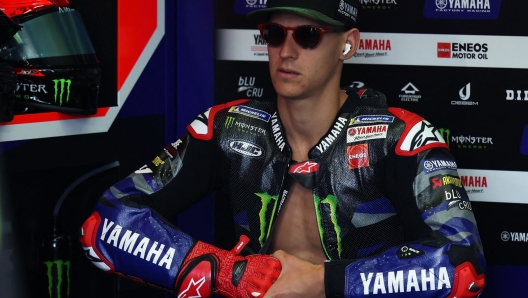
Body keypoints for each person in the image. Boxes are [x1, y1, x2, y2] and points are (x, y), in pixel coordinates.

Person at [79, 0, 486, 297]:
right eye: (275, 34)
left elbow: (461, 266)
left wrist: (319, 282)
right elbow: (107, 223)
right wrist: (221, 269)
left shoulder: (399, 138)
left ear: (348, 44)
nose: (286, 52)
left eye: (307, 36)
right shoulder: (226, 127)